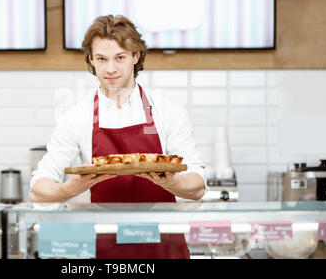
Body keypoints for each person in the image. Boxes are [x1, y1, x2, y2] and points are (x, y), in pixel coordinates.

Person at [29, 15, 208, 259]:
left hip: (164, 247)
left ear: (136, 56)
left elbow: (197, 186)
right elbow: (39, 189)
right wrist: (70, 189)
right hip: (105, 249)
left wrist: (170, 183)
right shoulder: (76, 117)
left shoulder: (167, 110)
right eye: (102, 59)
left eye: (120, 57)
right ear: (91, 60)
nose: (110, 68)